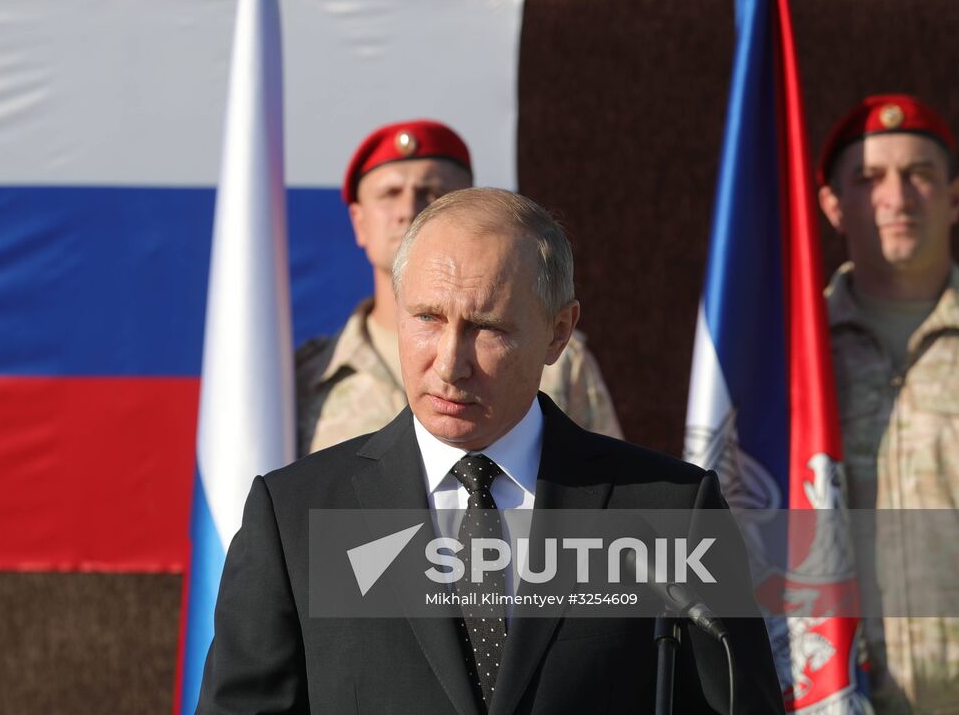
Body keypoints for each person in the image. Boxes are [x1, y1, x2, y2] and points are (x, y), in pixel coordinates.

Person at [199, 188, 783, 714]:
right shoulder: (295, 513)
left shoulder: (670, 511)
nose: (449, 363)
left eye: (488, 328)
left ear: (559, 332)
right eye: (426, 318)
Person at [298, 119, 622, 456]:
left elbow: (606, 486)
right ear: (359, 221)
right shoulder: (306, 375)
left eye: (431, 194)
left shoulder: (559, 359)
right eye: (390, 194)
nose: (408, 210)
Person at [816, 93, 959, 715]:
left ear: (954, 197)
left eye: (920, 176)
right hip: (838, 695)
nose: (897, 199)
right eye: (869, 179)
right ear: (832, 206)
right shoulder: (794, 359)